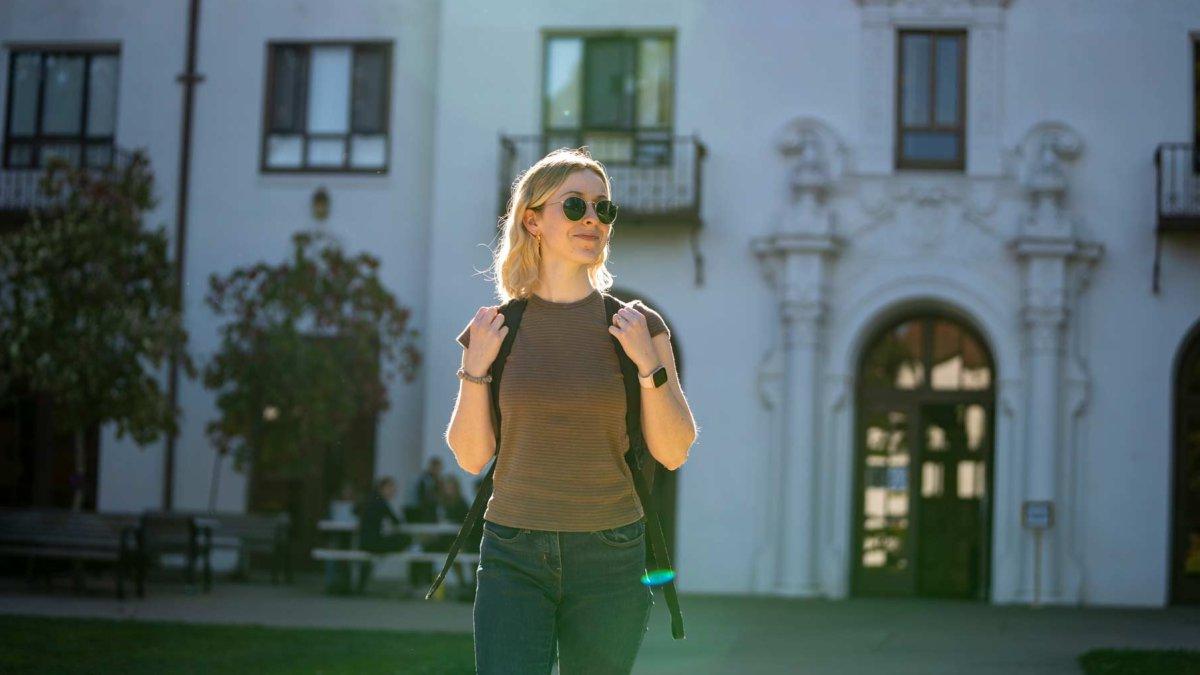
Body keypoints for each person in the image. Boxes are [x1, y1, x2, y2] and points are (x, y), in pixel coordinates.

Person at [445, 147, 698, 673]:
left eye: (603, 209)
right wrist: (476, 370)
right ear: (532, 220)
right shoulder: (495, 330)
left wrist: (648, 364)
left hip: (612, 554)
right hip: (513, 554)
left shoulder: (637, 326)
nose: (593, 220)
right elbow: (472, 458)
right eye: (576, 205)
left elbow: (673, 451)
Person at [354, 476, 413, 593]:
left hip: (364, 542)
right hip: (373, 543)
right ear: (382, 488)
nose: (393, 492)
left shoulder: (370, 500)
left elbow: (355, 510)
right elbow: (396, 521)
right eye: (390, 488)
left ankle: (360, 587)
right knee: (406, 539)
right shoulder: (381, 502)